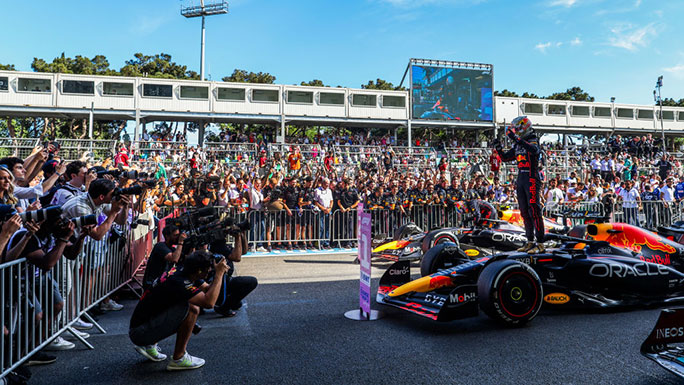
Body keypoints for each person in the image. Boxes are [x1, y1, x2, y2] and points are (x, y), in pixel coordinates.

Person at [129, 251, 229, 370]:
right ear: (199, 271)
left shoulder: (184, 271)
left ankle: (150, 345)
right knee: (192, 308)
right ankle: (179, 358)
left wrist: (220, 274)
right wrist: (219, 274)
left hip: (141, 327)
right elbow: (209, 303)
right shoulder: (179, 282)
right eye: (208, 270)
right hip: (139, 333)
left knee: (187, 303)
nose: (210, 272)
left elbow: (208, 288)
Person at [494, 116, 545, 253]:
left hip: (532, 177)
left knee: (534, 209)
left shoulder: (533, 139)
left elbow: (534, 150)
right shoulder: (517, 143)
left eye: (517, 129)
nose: (515, 131)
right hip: (521, 177)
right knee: (524, 210)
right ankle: (529, 240)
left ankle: (540, 243)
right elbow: (506, 158)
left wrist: (516, 139)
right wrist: (498, 148)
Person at [142, 224, 186, 289]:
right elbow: (174, 259)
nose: (177, 238)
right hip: (152, 284)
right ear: (167, 236)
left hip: (163, 283)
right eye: (175, 235)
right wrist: (180, 242)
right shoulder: (160, 246)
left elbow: (187, 259)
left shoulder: (172, 249)